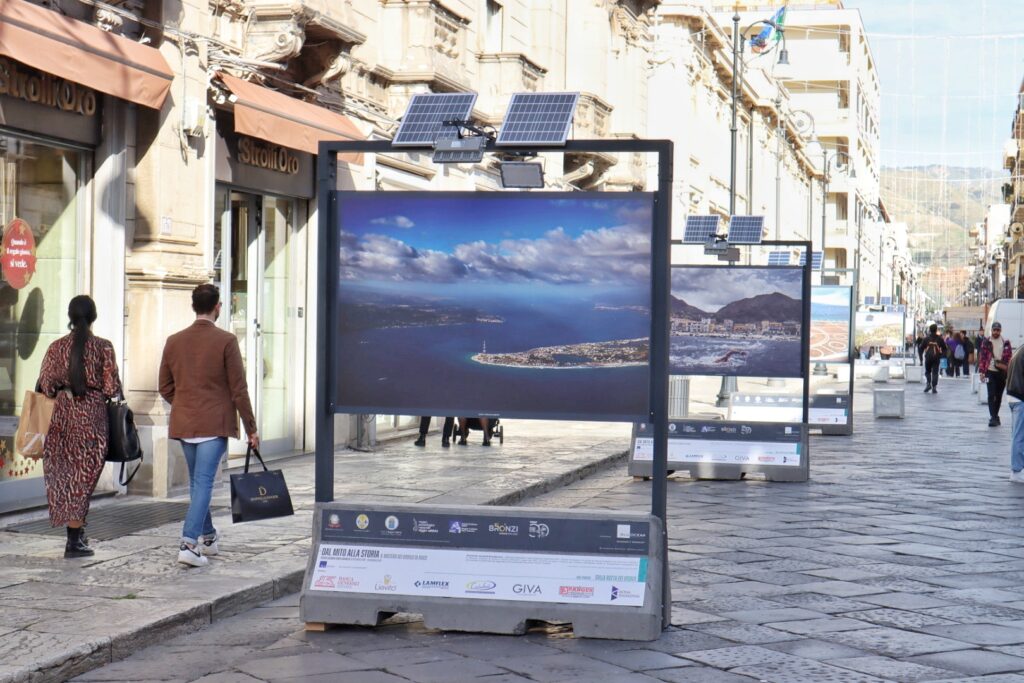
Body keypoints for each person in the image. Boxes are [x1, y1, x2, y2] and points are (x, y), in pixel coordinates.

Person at [159, 284, 259, 567]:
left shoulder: (173, 340)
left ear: (194, 306)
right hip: (214, 422)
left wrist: (184, 403)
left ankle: (209, 537)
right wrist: (251, 428)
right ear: (218, 307)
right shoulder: (226, 341)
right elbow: (239, 389)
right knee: (203, 482)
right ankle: (189, 543)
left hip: (185, 422)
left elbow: (164, 386)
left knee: (197, 482)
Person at [38, 296, 122, 558]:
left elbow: (46, 385)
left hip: (62, 416)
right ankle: (74, 539)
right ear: (93, 316)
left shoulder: (56, 347)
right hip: (91, 417)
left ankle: (76, 534)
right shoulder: (103, 347)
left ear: (70, 317)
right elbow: (111, 388)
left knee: (64, 475)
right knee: (84, 477)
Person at [979, 322, 1013, 427]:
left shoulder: (1005, 342)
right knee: (991, 394)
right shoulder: (986, 342)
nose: (996, 332)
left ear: (1000, 331)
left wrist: (1008, 371)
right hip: (990, 371)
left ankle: (996, 416)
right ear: (992, 330)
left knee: (998, 396)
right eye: (994, 330)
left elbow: (1009, 358)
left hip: (1001, 372)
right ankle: (993, 417)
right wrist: (982, 372)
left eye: (998, 330)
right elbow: (983, 357)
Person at [1007, 344, 1024, 482]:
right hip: (1020, 396)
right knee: (1019, 435)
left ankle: (1017, 468)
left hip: (1013, 395)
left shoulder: (1020, 349)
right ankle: (1017, 470)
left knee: (1016, 434)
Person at [919, 323, 946, 394]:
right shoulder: (940, 338)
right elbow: (944, 348)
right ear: (936, 330)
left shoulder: (926, 338)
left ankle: (928, 384)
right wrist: (942, 355)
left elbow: (921, 348)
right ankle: (934, 387)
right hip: (936, 357)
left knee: (927, 371)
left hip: (928, 357)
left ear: (930, 330)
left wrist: (921, 358)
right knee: (935, 372)